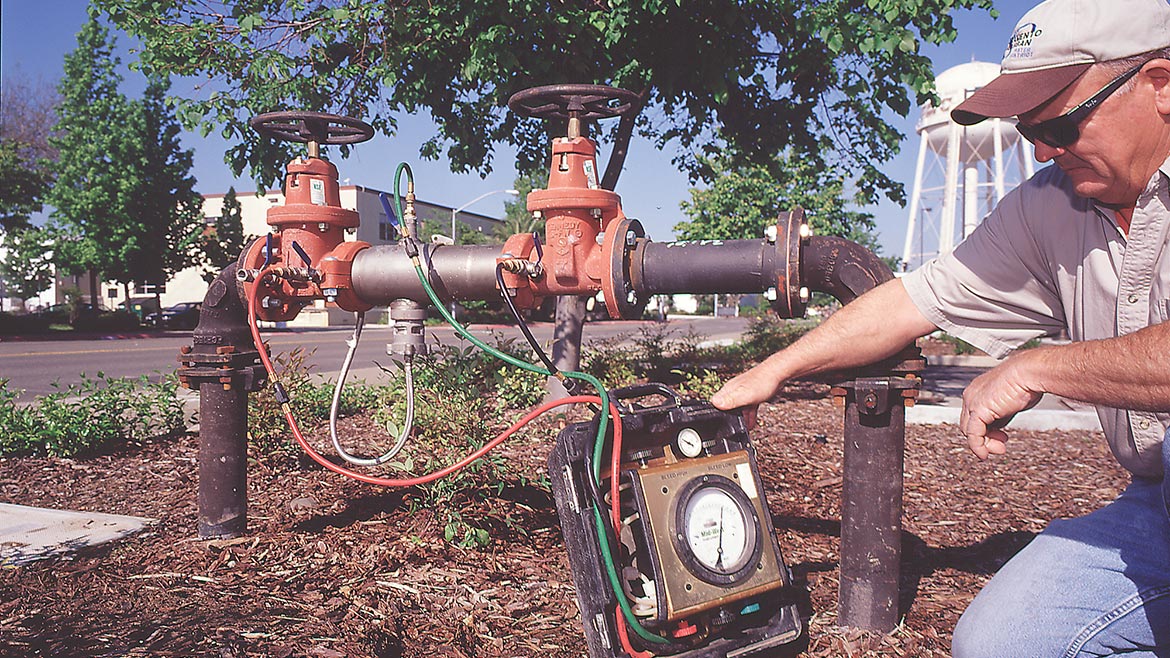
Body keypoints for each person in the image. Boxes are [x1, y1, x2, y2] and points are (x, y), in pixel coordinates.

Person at [711, 0, 1170, 655]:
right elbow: (907, 302)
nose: (1041, 149)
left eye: (1062, 122)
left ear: (1160, 86)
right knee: (1001, 643)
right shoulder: (1049, 207)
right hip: (1157, 502)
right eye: (1026, 127)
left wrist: (1036, 364)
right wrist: (769, 373)